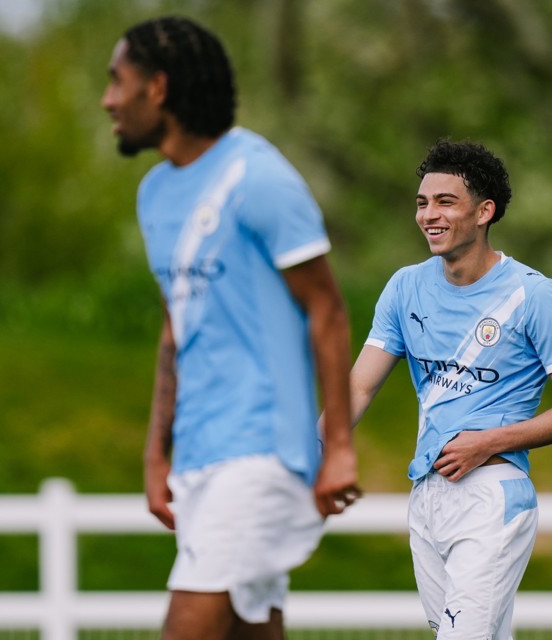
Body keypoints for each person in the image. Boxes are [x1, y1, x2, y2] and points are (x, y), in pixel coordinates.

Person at [101, 16, 361, 640]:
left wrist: (342, 446)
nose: (108, 99)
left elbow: (327, 310)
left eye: (117, 81)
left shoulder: (258, 177)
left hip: (261, 454)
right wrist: (155, 450)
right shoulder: (155, 194)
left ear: (157, 88)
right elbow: (175, 326)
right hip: (201, 455)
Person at [345, 139, 552, 638]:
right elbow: (359, 385)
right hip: (427, 495)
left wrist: (489, 441)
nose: (428, 215)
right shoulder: (405, 287)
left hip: (491, 497)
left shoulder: (534, 296)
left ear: (484, 212)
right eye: (422, 202)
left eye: (446, 202)